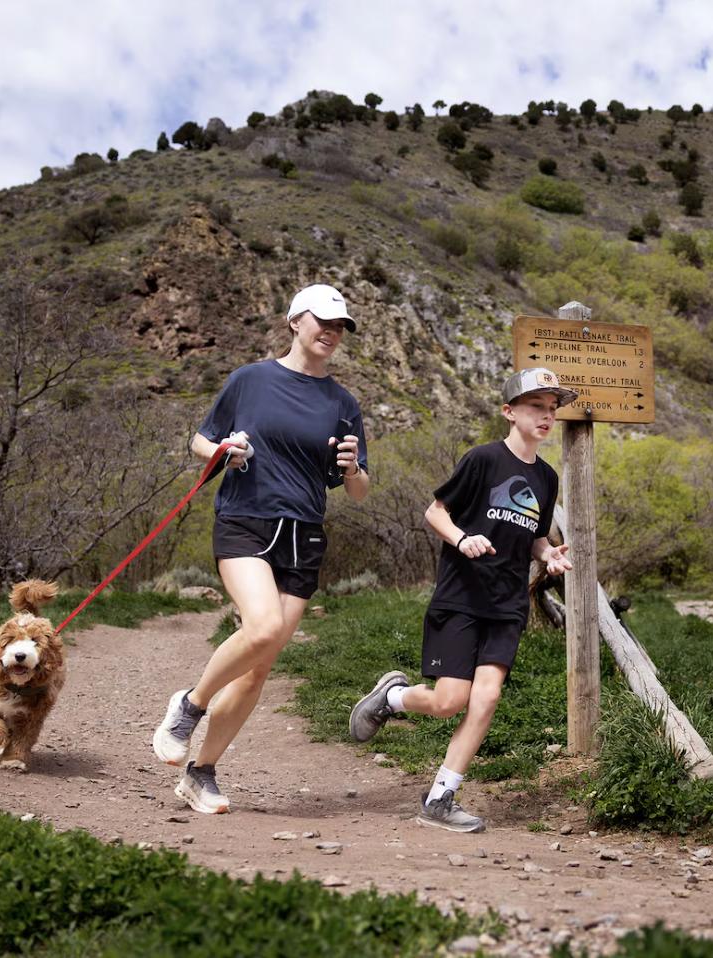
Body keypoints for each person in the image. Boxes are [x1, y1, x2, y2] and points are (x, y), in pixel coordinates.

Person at [152, 283, 370, 814]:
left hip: (304, 534)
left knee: (258, 668)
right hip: (246, 521)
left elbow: (359, 490)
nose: (331, 332)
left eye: (339, 326)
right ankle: (190, 705)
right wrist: (224, 449)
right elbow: (201, 440)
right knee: (265, 627)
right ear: (295, 320)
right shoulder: (250, 379)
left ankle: (201, 773)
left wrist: (351, 469)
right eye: (323, 321)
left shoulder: (343, 403)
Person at [348, 367, 575, 832]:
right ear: (509, 412)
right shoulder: (483, 460)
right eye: (536, 407)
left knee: (486, 698)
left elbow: (533, 536)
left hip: (508, 604)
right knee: (450, 701)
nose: (546, 416)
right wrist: (462, 538)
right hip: (462, 597)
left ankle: (440, 798)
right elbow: (436, 512)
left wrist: (547, 554)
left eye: (552, 409)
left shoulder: (547, 477)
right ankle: (392, 697)